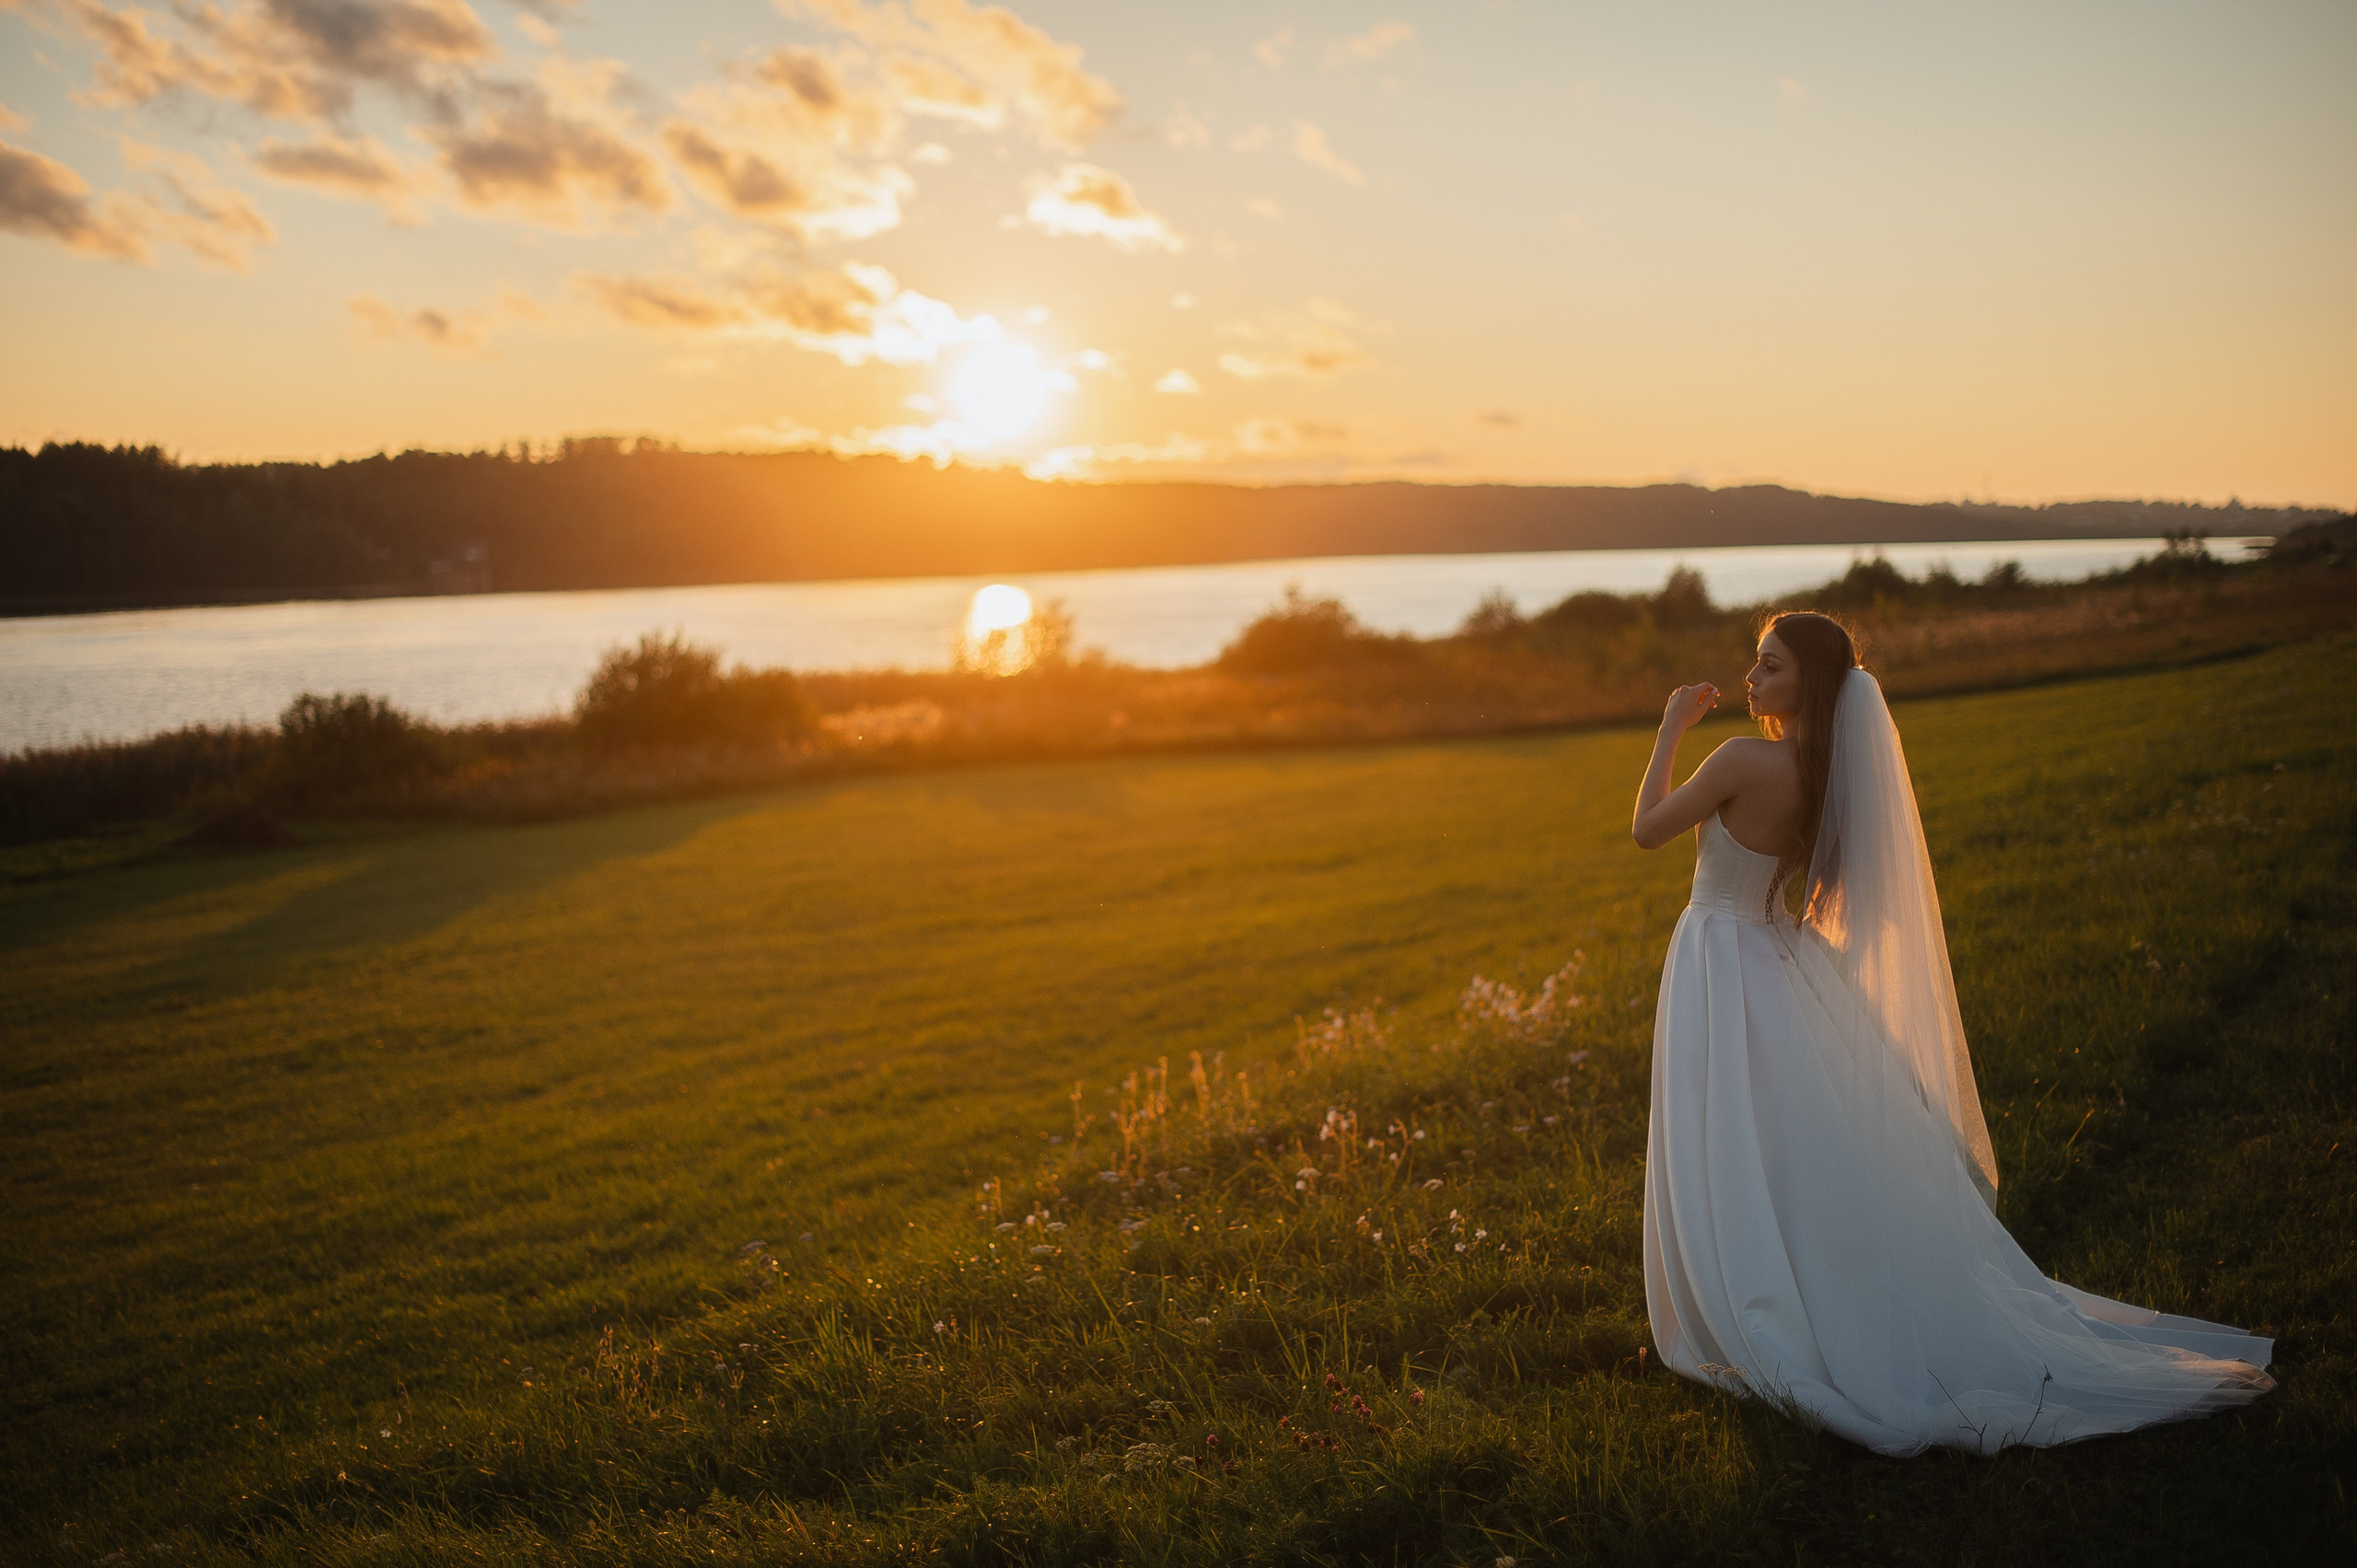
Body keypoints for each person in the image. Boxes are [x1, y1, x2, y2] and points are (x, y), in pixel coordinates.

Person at [1627, 610, 2272, 1455]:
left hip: (1719, 955)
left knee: (1728, 1133)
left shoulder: (1741, 759)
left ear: (1810, 681)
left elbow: (1646, 828)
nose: (1752, 678)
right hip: (1773, 958)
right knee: (1781, 1142)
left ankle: (1751, 1292)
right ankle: (1801, 1283)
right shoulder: (1829, 777)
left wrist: (1671, 726)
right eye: (1756, 661)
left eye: (1771, 665)